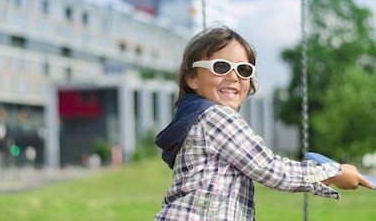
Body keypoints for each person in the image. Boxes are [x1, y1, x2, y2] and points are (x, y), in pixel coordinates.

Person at [154, 26, 373, 220]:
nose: (233, 77)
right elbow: (269, 169)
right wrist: (333, 173)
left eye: (244, 70)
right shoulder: (216, 117)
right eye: (220, 67)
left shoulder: (193, 118)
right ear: (192, 78)